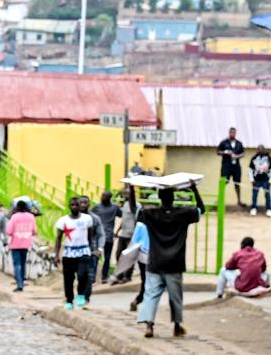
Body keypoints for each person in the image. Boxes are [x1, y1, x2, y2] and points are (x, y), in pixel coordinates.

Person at [138, 186, 203, 338]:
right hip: (175, 262)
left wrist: (132, 189)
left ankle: (149, 325)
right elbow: (201, 209)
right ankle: (177, 326)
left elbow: (136, 210)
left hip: (155, 261)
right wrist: (194, 189)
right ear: (173, 197)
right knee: (175, 297)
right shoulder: (183, 214)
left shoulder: (151, 214)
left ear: (159, 197)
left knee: (151, 294)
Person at [53, 195, 98, 309]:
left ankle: (81, 294)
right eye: (72, 205)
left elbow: (91, 235)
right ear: (69, 206)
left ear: (80, 206)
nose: (75, 207)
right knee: (68, 279)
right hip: (68, 253)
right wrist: (56, 254)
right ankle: (69, 300)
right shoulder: (63, 221)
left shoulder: (87, 219)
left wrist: (92, 249)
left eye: (77, 205)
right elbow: (58, 238)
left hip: (83, 251)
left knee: (83, 275)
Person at [4, 197, 38, 292]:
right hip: (26, 243)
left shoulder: (14, 217)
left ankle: (19, 284)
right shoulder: (31, 217)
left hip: (15, 243)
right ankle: (22, 281)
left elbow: (9, 231)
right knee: (23, 263)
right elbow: (34, 231)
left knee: (17, 264)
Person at [91, 191, 123, 283]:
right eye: (102, 195)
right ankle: (98, 277)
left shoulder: (100, 207)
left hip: (107, 236)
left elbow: (123, 216)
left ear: (109, 198)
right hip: (99, 236)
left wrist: (117, 230)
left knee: (105, 257)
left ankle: (103, 276)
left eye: (104, 196)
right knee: (98, 257)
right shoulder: (99, 207)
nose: (102, 197)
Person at [217, 128, 245, 197]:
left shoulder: (239, 143)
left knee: (237, 183)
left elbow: (243, 153)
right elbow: (218, 151)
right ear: (229, 133)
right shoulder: (224, 142)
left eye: (234, 132)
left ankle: (239, 200)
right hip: (226, 166)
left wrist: (237, 156)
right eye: (231, 132)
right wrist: (226, 152)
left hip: (236, 166)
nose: (232, 134)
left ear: (235, 133)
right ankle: (220, 200)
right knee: (224, 182)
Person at [249, 148, 271, 217]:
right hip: (256, 180)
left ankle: (269, 209)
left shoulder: (269, 158)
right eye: (258, 149)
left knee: (267, 195)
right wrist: (251, 179)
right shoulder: (254, 158)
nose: (259, 151)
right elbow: (250, 170)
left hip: (266, 180)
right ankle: (253, 208)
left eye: (261, 149)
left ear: (264, 150)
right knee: (254, 194)